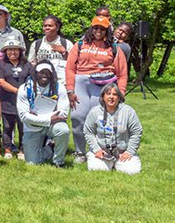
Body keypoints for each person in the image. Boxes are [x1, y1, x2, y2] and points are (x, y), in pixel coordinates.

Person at [65, 16, 128, 163]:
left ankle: (98, 152)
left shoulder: (113, 47)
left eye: (102, 28)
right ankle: (80, 152)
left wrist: (121, 92)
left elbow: (122, 73)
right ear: (91, 28)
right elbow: (69, 68)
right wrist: (70, 90)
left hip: (102, 84)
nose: (98, 31)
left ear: (107, 30)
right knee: (77, 117)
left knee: (99, 119)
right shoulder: (80, 44)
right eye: (96, 27)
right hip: (81, 82)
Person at [17, 61, 70, 167]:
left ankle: (59, 161)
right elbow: (23, 116)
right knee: (32, 163)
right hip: (33, 127)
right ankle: (51, 147)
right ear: (35, 73)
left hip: (52, 125)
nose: (44, 75)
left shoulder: (59, 87)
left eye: (47, 72)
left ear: (52, 74)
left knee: (63, 130)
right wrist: (49, 119)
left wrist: (37, 117)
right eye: (41, 72)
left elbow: (63, 112)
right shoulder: (24, 88)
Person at [83, 83, 142, 174]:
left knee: (132, 171)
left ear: (119, 97)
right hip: (103, 153)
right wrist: (96, 150)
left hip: (122, 153)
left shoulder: (128, 111)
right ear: (103, 97)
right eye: (108, 94)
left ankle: (118, 163)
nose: (111, 97)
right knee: (97, 170)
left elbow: (136, 132)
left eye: (114, 94)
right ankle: (109, 164)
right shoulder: (95, 112)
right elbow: (88, 132)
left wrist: (129, 152)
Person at [0, 39, 32, 159]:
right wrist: (17, 91)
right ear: (6, 51)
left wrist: (25, 92)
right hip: (7, 101)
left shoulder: (26, 64)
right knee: (7, 126)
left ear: (20, 51)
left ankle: (22, 149)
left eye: (15, 49)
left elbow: (32, 79)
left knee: (23, 126)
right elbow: (0, 81)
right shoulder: (1, 64)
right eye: (10, 50)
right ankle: (7, 149)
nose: (13, 52)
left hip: (24, 102)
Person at [26, 15, 72, 82]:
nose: (47, 28)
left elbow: (73, 64)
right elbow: (30, 64)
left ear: (57, 28)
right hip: (42, 82)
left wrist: (64, 52)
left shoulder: (66, 44)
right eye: (45, 26)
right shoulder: (36, 44)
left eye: (50, 26)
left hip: (61, 82)